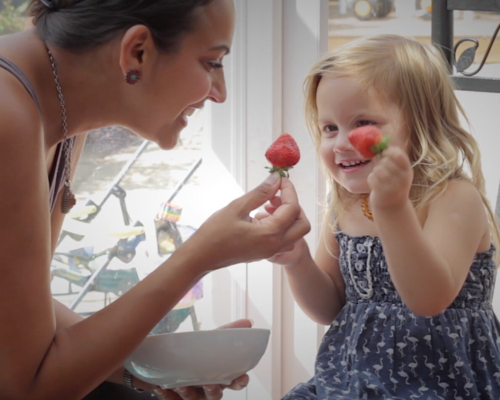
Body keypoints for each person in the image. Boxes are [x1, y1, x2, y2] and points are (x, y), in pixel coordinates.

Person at [0, 0, 310, 399]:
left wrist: (149, 365)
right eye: (212, 63)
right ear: (138, 51)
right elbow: (26, 390)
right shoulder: (8, 117)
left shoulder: (60, 119)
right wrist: (200, 256)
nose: (221, 94)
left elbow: (22, 319)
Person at [265, 34, 500, 399]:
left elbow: (428, 299)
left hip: (440, 386)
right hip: (348, 385)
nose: (341, 142)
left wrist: (393, 209)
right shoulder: (345, 203)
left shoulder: (454, 198)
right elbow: (330, 308)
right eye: (330, 128)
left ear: (419, 123)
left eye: (362, 123)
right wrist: (297, 259)